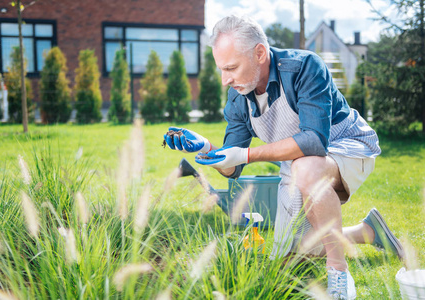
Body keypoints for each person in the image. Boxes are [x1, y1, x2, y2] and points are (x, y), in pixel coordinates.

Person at [163, 15, 404, 300]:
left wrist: (248, 153)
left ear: (260, 53)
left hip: (349, 146)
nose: (225, 80)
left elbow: (314, 141)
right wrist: (205, 148)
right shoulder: (238, 96)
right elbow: (233, 168)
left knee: (305, 166)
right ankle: (368, 231)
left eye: (231, 68)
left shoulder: (303, 67)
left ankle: (338, 271)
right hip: (299, 163)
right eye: (221, 70)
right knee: (294, 253)